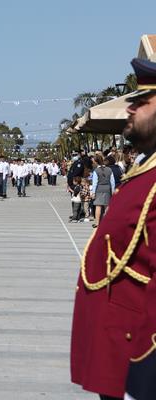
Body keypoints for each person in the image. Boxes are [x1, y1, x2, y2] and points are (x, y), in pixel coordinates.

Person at [70, 57, 156, 400]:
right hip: (117, 346)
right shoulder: (143, 170)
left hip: (138, 355)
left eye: (142, 102)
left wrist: (144, 368)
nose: (130, 109)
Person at [90, 154, 115, 229]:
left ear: (96, 162)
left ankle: (97, 223)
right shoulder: (109, 169)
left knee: (98, 206)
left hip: (99, 189)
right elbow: (112, 182)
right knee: (106, 206)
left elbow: (95, 183)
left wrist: (93, 192)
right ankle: (107, 222)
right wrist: (113, 191)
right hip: (107, 188)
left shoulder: (96, 171)